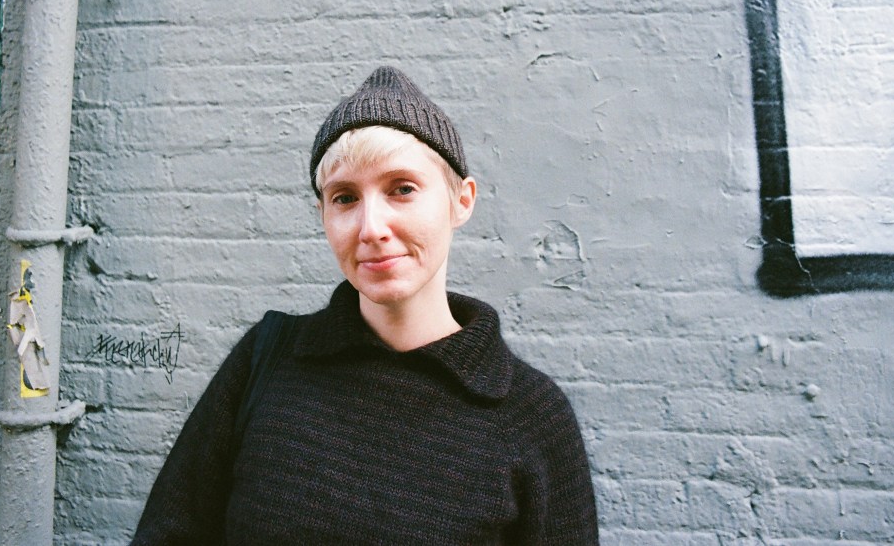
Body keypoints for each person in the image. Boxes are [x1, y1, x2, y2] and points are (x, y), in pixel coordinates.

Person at [131, 66, 600, 545]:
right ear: (323, 215)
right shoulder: (266, 362)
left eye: (402, 189)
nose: (370, 227)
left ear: (462, 201)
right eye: (345, 197)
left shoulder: (529, 414)